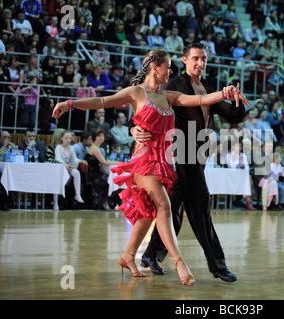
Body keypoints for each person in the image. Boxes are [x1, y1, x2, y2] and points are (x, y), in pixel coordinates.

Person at [53, 49, 250, 286]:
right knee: (165, 206)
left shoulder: (169, 96)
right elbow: (102, 101)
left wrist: (224, 93)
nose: (171, 71)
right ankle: (180, 262)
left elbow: (201, 100)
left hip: (165, 162)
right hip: (145, 159)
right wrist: (70, 103)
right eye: (168, 67)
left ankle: (129, 256)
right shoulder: (137, 92)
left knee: (147, 213)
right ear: (155, 67)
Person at [129, 43, 247, 282]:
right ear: (184, 60)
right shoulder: (173, 84)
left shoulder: (208, 86)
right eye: (195, 59)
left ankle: (151, 255)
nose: (200, 63)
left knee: (174, 206)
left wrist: (236, 99)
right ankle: (218, 266)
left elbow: (232, 115)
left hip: (200, 151)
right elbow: (144, 105)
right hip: (179, 151)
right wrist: (133, 128)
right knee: (200, 204)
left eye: (203, 59)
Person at [85, 129, 116, 210]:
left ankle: (104, 203)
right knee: (107, 180)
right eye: (99, 136)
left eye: (102, 136)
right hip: (91, 173)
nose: (101, 138)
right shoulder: (95, 148)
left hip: (96, 171)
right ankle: (99, 203)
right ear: (95, 137)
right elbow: (104, 162)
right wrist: (117, 163)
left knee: (109, 179)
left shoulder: (98, 148)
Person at [55, 130, 87, 205]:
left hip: (69, 167)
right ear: (61, 138)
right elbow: (58, 159)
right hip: (61, 168)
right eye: (66, 138)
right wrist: (65, 165)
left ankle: (77, 194)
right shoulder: (58, 147)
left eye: (69, 138)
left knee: (76, 173)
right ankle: (57, 201)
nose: (68, 140)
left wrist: (80, 161)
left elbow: (74, 159)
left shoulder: (70, 148)